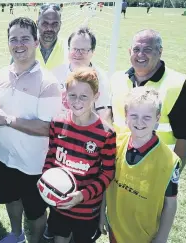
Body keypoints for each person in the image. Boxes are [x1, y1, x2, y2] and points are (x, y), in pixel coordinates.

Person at [0, 17, 61, 243]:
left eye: (25, 39)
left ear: (36, 42)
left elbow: (47, 128)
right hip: (4, 155)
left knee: (36, 210)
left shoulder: (48, 83)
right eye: (13, 39)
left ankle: (36, 240)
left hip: (33, 163)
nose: (19, 44)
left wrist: (8, 119)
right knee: (11, 199)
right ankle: (17, 234)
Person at [43, 67, 116, 243]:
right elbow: (51, 157)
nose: (77, 101)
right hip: (59, 204)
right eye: (72, 95)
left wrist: (82, 195)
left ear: (96, 97)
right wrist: (45, 180)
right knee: (60, 238)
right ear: (65, 95)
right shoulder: (58, 123)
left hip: (86, 209)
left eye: (84, 96)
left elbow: (107, 174)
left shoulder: (106, 133)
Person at [100, 87, 180, 243]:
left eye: (147, 117)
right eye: (134, 116)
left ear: (157, 118)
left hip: (145, 234)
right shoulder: (115, 143)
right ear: (125, 116)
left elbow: (170, 204)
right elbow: (105, 180)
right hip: (115, 226)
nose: (139, 122)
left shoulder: (169, 161)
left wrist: (161, 238)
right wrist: (102, 212)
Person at [110, 29, 186, 172]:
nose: (140, 54)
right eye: (136, 49)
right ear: (129, 51)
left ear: (160, 51)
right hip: (117, 165)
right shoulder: (117, 79)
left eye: (147, 49)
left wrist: (172, 174)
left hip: (155, 170)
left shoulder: (178, 85)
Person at [51, 27, 112, 123]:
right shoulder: (56, 73)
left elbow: (104, 114)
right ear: (68, 49)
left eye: (83, 50)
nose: (78, 54)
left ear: (92, 52)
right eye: (74, 49)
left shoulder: (101, 78)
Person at [36, 3, 67, 70]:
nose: (49, 28)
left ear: (60, 25)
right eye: (45, 23)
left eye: (55, 24)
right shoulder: (25, 47)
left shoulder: (69, 49)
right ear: (37, 23)